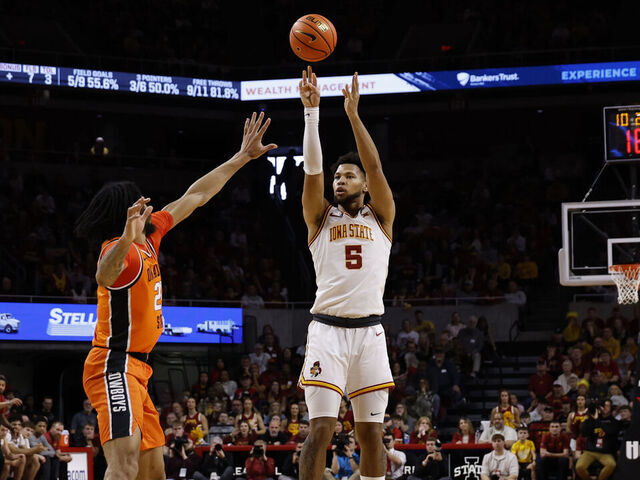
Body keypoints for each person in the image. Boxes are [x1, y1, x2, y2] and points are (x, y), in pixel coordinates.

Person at [76, 112, 276, 480]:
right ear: (126, 214)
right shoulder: (119, 251)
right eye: (139, 204)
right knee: (124, 465)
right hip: (113, 364)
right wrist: (125, 235)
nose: (148, 206)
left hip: (139, 369)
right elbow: (103, 275)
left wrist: (242, 157)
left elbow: (197, 195)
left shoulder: (152, 237)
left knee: (153, 469)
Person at [296, 66, 395, 480]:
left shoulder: (381, 216)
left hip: (370, 332)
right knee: (321, 430)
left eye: (348, 175)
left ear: (364, 185)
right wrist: (313, 114)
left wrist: (354, 117)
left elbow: (375, 166)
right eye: (338, 176)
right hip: (328, 331)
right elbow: (313, 172)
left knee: (372, 434)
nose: (340, 179)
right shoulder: (320, 216)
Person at [575, 403, 623, 480]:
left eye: (607, 406)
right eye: (602, 406)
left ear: (611, 408)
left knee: (611, 464)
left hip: (605, 452)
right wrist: (591, 418)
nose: (604, 408)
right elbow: (584, 433)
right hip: (590, 451)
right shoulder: (591, 419)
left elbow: (610, 431)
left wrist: (597, 420)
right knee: (579, 467)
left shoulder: (614, 422)